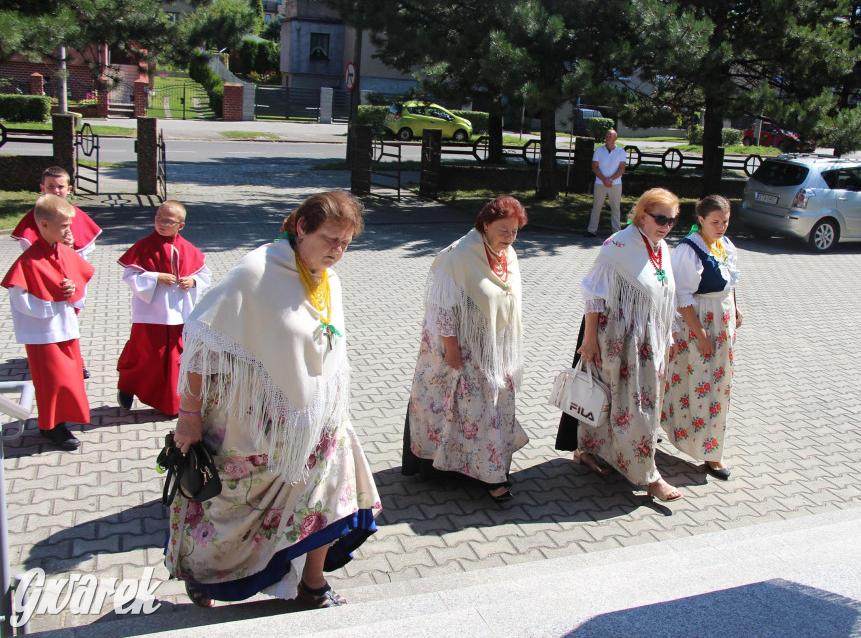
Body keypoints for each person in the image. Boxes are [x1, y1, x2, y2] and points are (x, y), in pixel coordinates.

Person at [167, 191, 381, 608]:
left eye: (346, 243)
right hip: (251, 429)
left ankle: (312, 584)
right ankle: (206, 577)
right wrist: (188, 417)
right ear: (301, 228)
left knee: (331, 494)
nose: (337, 251)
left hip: (317, 425)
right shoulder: (255, 272)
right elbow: (200, 341)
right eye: (330, 239)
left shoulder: (326, 278)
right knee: (233, 512)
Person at [556, 188, 682, 502]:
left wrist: (667, 336)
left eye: (672, 220)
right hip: (614, 342)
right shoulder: (618, 246)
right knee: (612, 402)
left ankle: (631, 464)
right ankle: (645, 475)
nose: (666, 225)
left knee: (636, 406)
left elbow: (665, 297)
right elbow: (593, 294)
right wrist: (588, 341)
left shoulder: (661, 247)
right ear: (642, 216)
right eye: (660, 218)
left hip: (646, 343)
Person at [403, 196, 529, 504]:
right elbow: (441, 308)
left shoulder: (506, 254)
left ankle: (482, 466)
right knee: (467, 409)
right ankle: (489, 476)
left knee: (487, 408)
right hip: (460, 348)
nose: (510, 237)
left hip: (494, 349)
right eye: (503, 230)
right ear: (485, 225)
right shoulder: (457, 256)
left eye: (514, 231)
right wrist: (451, 350)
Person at [1, 195, 94, 450]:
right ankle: (51, 427)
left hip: (64, 327)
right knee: (51, 381)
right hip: (43, 331)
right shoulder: (29, 259)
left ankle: (57, 421)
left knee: (69, 378)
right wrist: (49, 300)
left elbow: (78, 282)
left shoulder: (63, 252)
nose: (69, 230)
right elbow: (18, 295)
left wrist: (72, 288)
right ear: (43, 224)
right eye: (64, 226)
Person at [661, 194, 742, 480]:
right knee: (698, 386)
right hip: (699, 323)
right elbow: (682, 298)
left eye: (725, 221)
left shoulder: (725, 245)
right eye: (715, 222)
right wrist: (701, 334)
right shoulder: (689, 250)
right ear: (701, 220)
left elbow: (730, 282)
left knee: (718, 385)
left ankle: (709, 445)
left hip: (722, 321)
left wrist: (736, 308)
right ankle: (708, 451)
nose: (721, 227)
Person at [116, 200, 211, 416]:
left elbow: (205, 275)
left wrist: (193, 282)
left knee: (175, 358)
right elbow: (130, 275)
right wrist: (155, 277)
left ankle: (171, 402)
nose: (161, 223)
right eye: (158, 217)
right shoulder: (144, 245)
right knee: (144, 355)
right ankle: (128, 386)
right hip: (150, 314)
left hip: (179, 315)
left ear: (181, 225)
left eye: (168, 221)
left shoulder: (189, 249)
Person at [11, 166, 102, 379]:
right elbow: (31, 252)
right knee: (46, 322)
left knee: (69, 319)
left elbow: (85, 254)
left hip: (71, 278)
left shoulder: (75, 215)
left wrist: (69, 252)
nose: (55, 190)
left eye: (60, 186)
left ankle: (75, 360)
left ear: (68, 189)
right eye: (50, 186)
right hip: (43, 278)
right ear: (42, 188)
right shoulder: (36, 216)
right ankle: (43, 357)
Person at [586, 129, 627, 237]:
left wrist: (611, 179)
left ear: (615, 138)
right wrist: (604, 179)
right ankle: (591, 230)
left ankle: (616, 231)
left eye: (610, 136)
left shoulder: (621, 151)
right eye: (607, 136)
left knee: (615, 207)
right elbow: (594, 166)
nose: (608, 138)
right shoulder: (599, 150)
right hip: (600, 183)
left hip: (616, 183)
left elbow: (622, 168)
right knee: (597, 206)